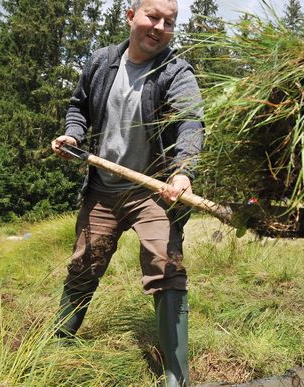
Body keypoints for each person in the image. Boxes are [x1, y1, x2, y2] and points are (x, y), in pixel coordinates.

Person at [51, 0, 203, 385]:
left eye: (169, 22)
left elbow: (190, 123)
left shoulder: (175, 71)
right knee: (85, 264)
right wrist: (73, 134)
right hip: (102, 189)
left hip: (153, 190)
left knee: (166, 266)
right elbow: (78, 107)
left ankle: (176, 375)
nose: (159, 27)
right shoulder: (102, 61)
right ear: (131, 16)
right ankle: (57, 344)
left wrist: (183, 173)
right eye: (153, 17)